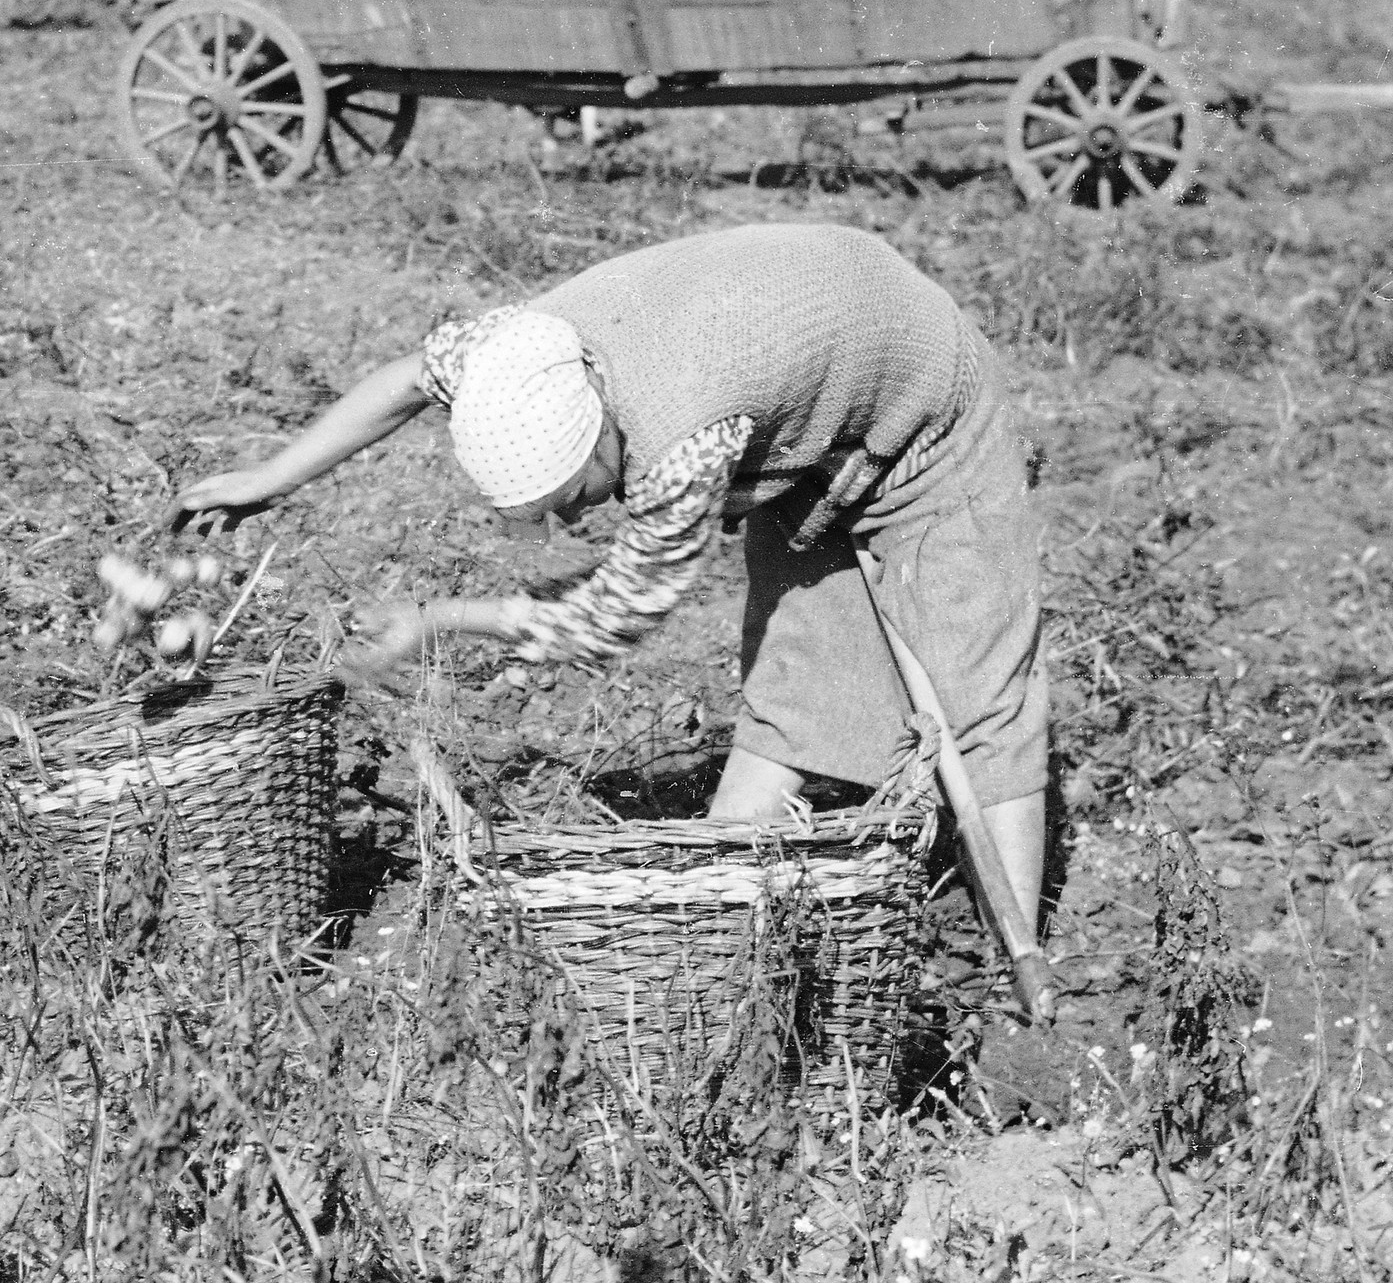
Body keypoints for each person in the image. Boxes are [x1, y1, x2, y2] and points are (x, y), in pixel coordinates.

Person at [173, 223, 1049, 908]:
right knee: (795, 675)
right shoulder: (515, 353)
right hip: (809, 382)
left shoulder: (681, 437)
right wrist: (267, 478)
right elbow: (406, 379)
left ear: (607, 432)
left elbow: (612, 617)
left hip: (925, 390)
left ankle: (1022, 967)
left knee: (977, 691)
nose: (570, 516)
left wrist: (435, 619)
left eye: (573, 492)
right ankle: (718, 911)